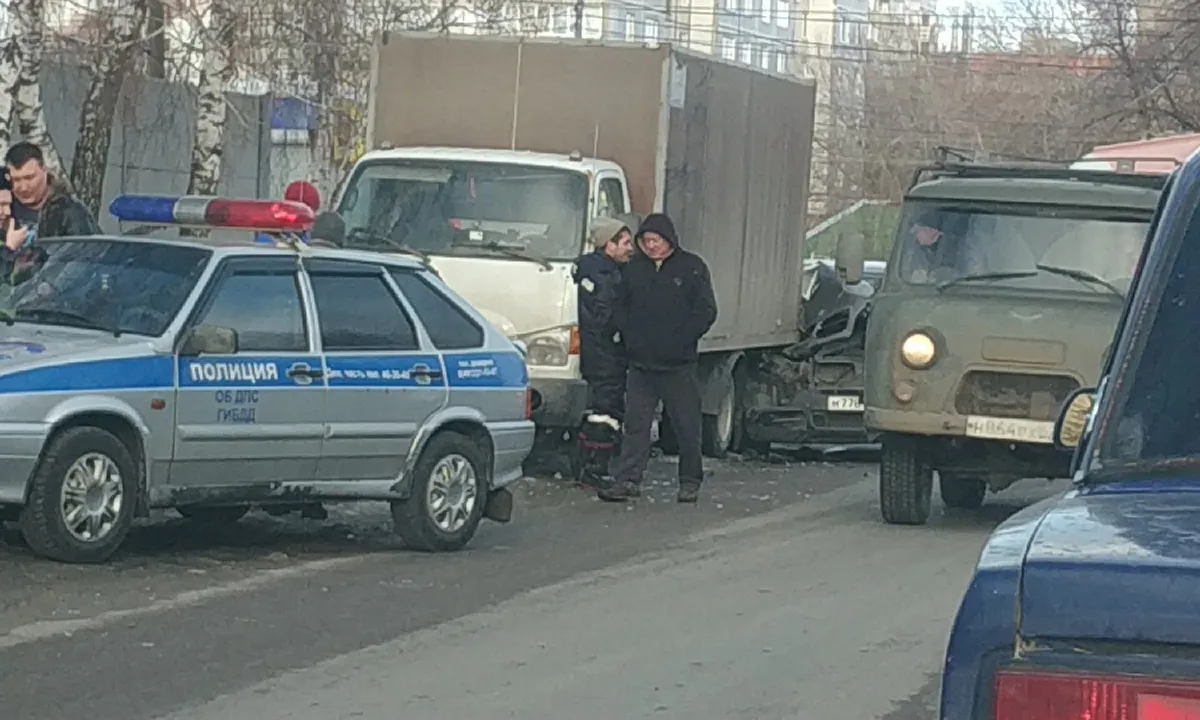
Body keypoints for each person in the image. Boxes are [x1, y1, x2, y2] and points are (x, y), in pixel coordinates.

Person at [600, 213, 717, 504]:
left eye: (656, 240)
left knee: (686, 426)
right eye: (646, 240)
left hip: (678, 364)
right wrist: (629, 336)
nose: (651, 246)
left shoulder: (691, 267)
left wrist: (683, 338)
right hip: (641, 364)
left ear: (669, 240)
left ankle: (690, 481)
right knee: (636, 426)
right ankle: (628, 480)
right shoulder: (633, 270)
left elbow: (705, 311)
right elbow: (619, 306)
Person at [571, 216, 634, 488]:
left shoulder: (592, 270)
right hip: (606, 356)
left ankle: (589, 464)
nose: (630, 249)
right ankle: (595, 467)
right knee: (605, 412)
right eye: (626, 243)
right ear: (609, 245)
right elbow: (606, 318)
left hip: (601, 354)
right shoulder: (605, 277)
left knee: (601, 409)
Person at [5, 142, 99, 241]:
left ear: (44, 170)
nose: (23, 187)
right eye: (16, 180)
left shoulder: (70, 210)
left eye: (29, 178)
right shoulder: (4, 207)